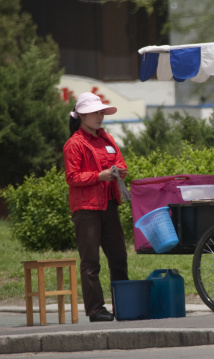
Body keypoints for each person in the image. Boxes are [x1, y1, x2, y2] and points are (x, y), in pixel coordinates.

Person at [63, 92, 129, 322]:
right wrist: (99, 176)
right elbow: (72, 177)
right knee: (91, 262)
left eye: (101, 112)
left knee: (119, 257)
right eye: (95, 112)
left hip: (109, 204)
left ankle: (124, 305)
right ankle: (96, 310)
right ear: (81, 115)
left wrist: (118, 170)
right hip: (86, 209)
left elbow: (120, 162)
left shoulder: (107, 138)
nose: (100, 116)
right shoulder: (74, 143)